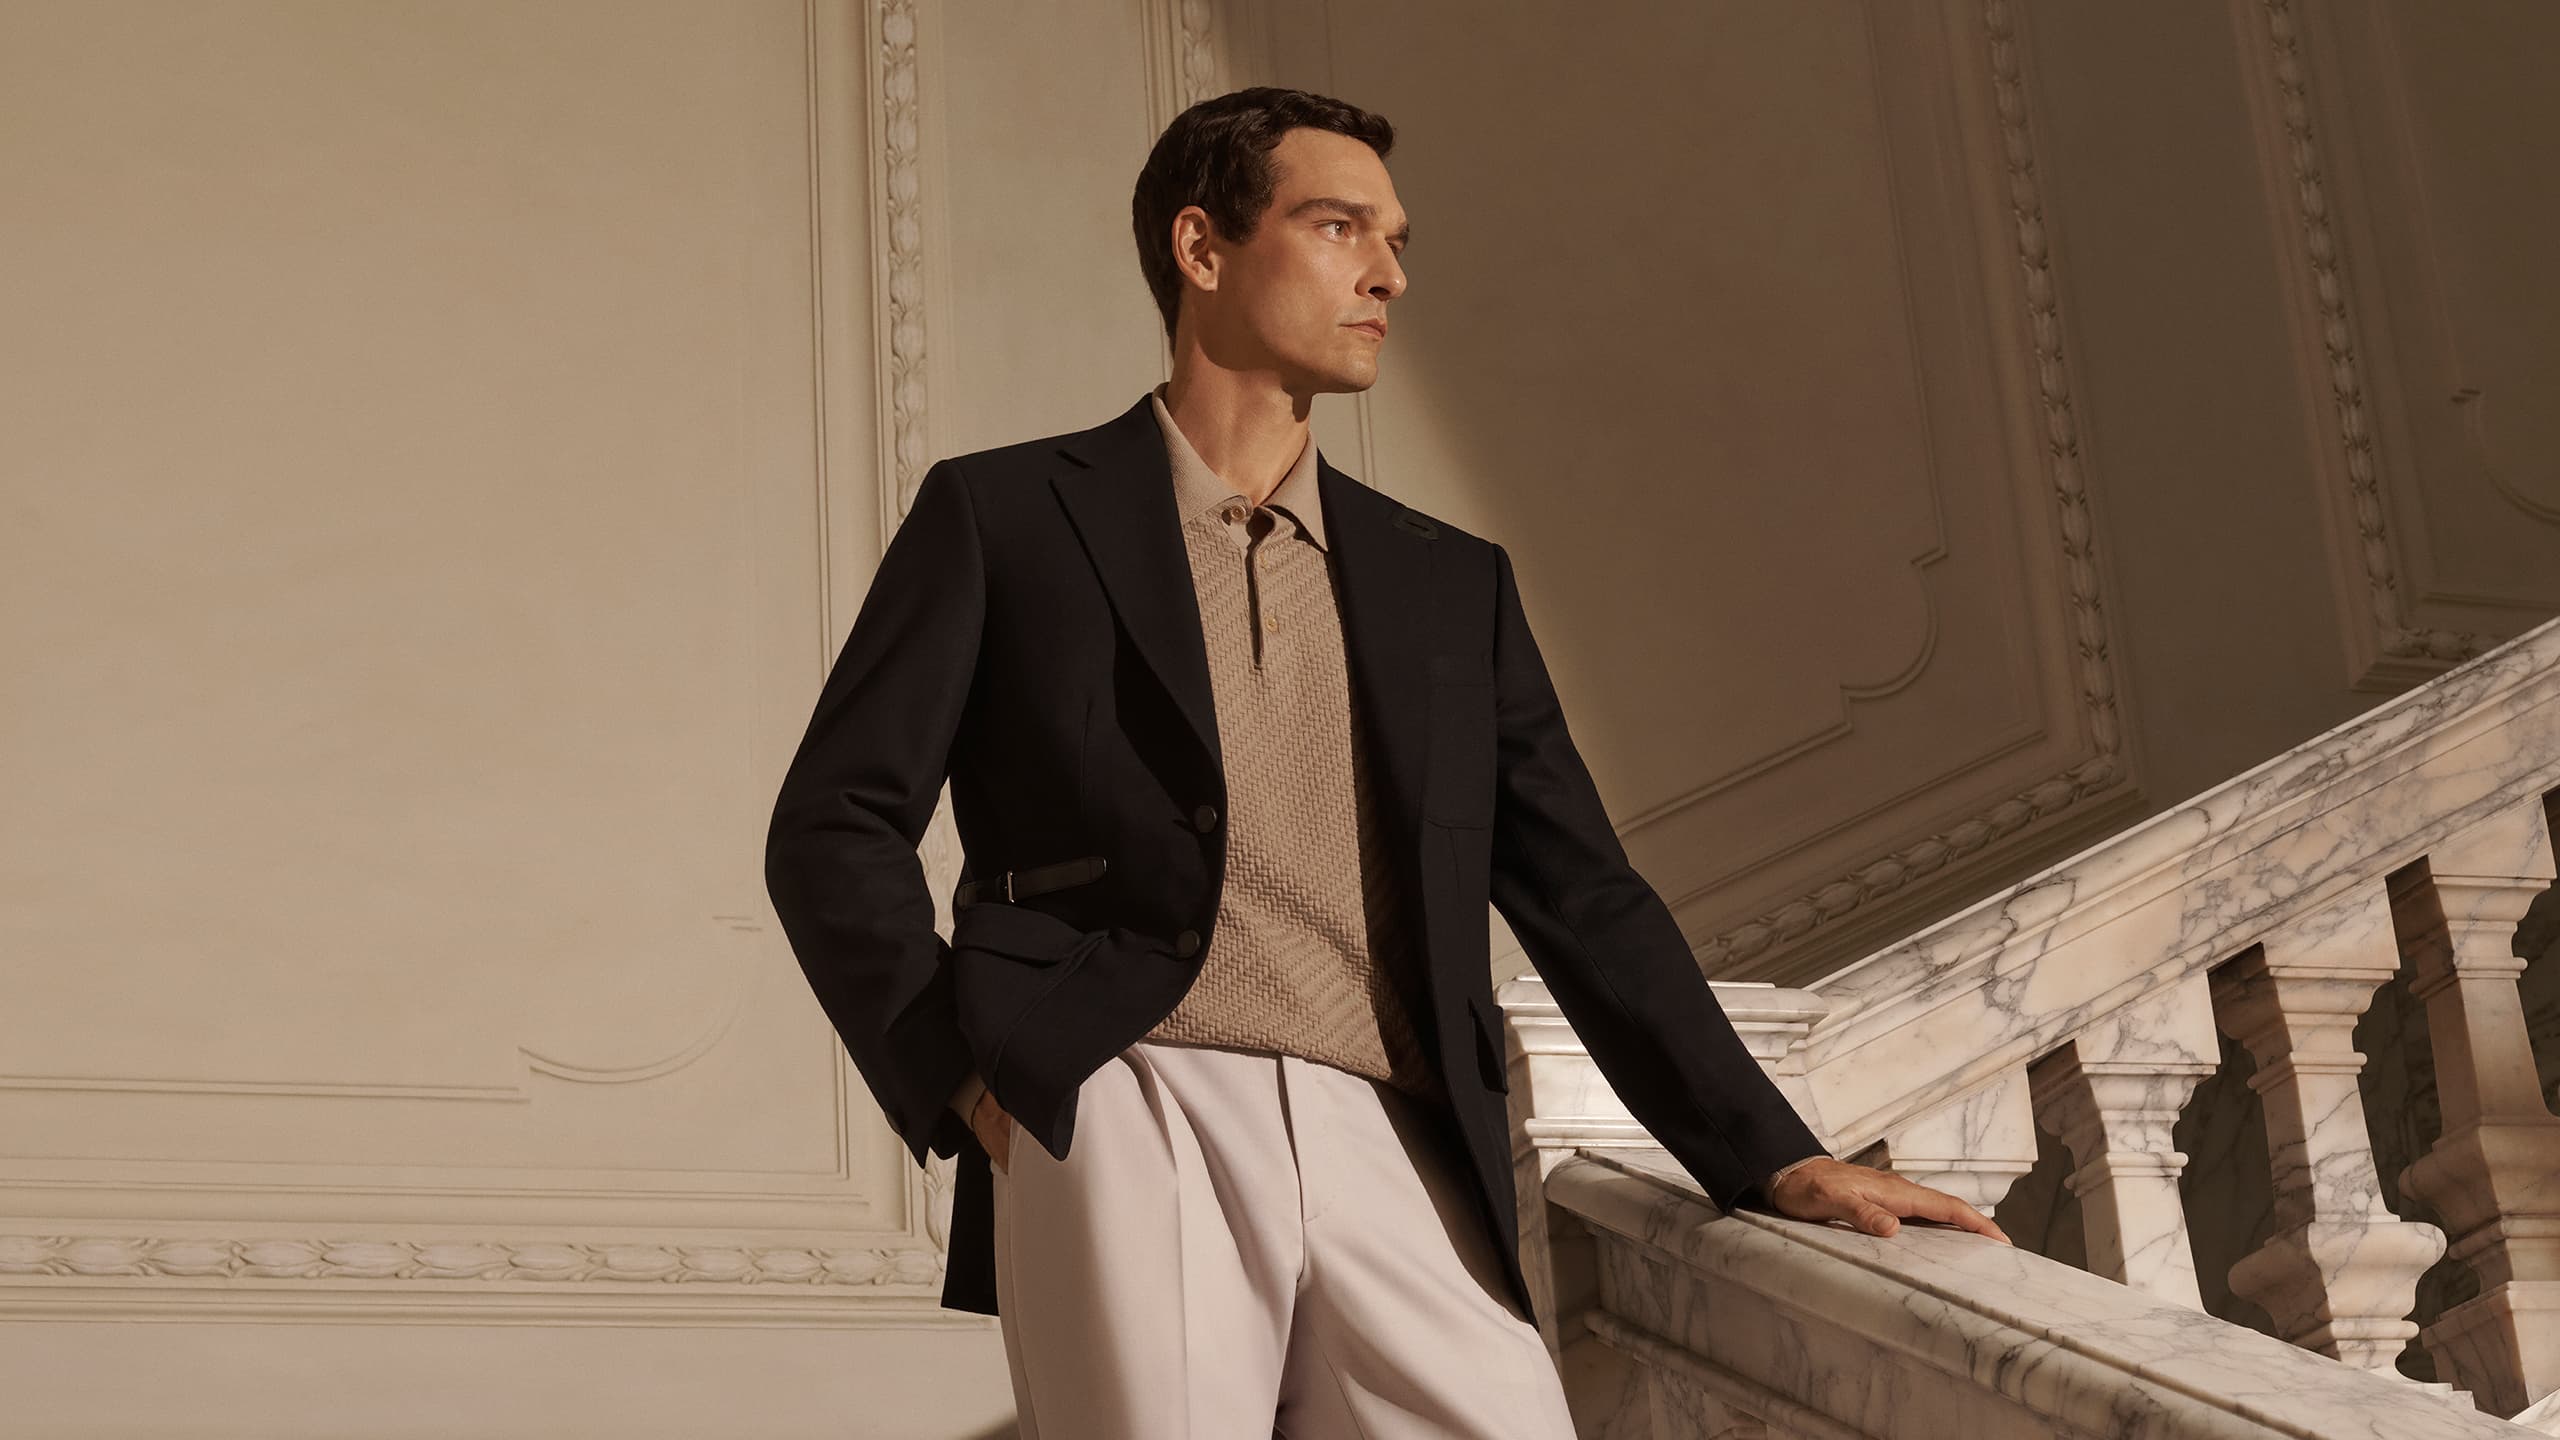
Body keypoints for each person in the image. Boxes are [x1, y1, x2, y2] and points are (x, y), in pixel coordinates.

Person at [764, 84, 2009, 1440]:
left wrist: (1776, 1157)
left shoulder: (1447, 586)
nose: (1390, 273)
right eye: (1341, 226)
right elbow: (836, 820)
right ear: (1202, 248)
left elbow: (1584, 893)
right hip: (1135, 1097)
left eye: (1397, 238)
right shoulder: (1007, 517)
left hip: (1402, 1133)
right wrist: (966, 1075)